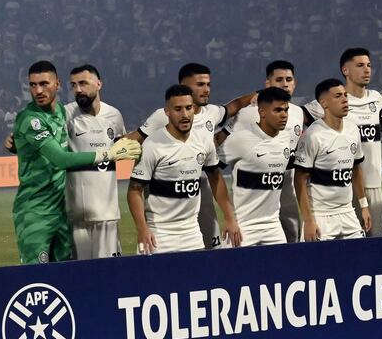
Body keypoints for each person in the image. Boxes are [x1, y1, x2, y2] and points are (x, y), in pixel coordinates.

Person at [12, 61, 140, 264]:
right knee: (38, 276)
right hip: (41, 212)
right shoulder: (59, 115)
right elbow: (60, 158)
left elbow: (122, 143)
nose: (38, 90)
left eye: (44, 84)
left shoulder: (67, 114)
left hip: (73, 213)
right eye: (33, 85)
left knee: (74, 277)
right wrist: (107, 154)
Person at [128, 63, 253, 249]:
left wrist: (229, 217)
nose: (185, 114)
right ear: (167, 112)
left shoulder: (206, 133)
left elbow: (216, 177)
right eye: (178, 109)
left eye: (188, 108)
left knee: (206, 264)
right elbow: (134, 188)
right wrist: (142, 229)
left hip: (192, 228)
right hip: (160, 232)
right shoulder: (153, 142)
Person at [303, 48, 382, 236]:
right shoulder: (329, 101)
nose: (366, 70)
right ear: (345, 70)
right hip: (341, 188)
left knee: (375, 239)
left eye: (368, 66)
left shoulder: (377, 99)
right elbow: (294, 115)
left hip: (372, 182)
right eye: (360, 65)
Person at [219, 60, 304, 242]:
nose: (284, 84)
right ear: (267, 84)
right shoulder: (248, 112)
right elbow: (225, 142)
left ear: (295, 83)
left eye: (289, 79)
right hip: (253, 189)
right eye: (279, 79)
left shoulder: (297, 113)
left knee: (291, 231)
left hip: (285, 181)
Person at [293, 78, 371, 241]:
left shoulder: (353, 130)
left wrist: (363, 206)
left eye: (345, 95)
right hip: (321, 217)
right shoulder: (313, 136)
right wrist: (308, 221)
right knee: (318, 266)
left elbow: (355, 169)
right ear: (324, 103)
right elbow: (299, 180)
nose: (344, 100)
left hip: (348, 213)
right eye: (337, 96)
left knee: (359, 263)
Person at [65, 64, 127, 259]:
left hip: (108, 214)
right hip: (76, 217)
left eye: (83, 83)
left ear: (99, 84)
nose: (78, 90)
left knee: (111, 277)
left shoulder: (114, 115)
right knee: (79, 278)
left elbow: (122, 145)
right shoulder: (66, 115)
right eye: (73, 85)